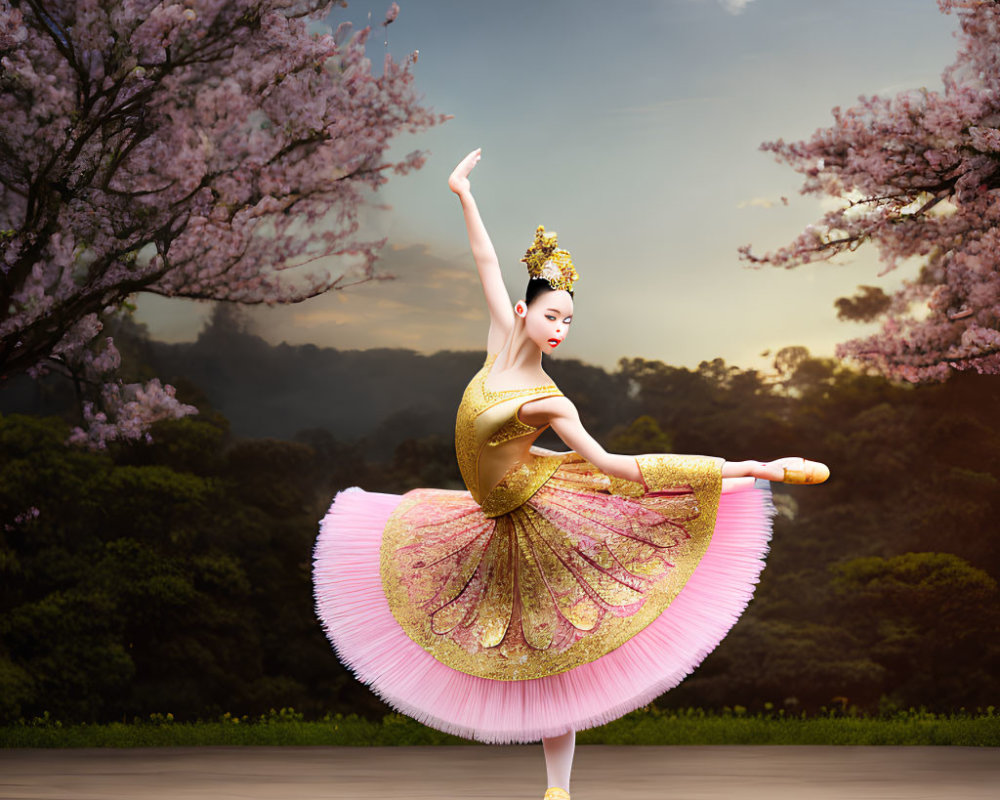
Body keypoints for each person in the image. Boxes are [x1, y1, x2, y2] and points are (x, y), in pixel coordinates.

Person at [313, 148, 829, 800]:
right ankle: (740, 481)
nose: (560, 329)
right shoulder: (501, 338)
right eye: (552, 315)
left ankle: (558, 790)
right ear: (525, 312)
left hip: (539, 507)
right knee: (494, 622)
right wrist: (462, 194)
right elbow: (484, 263)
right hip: (497, 505)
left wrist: (752, 460)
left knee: (562, 642)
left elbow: (615, 464)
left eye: (569, 321)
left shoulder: (551, 400)